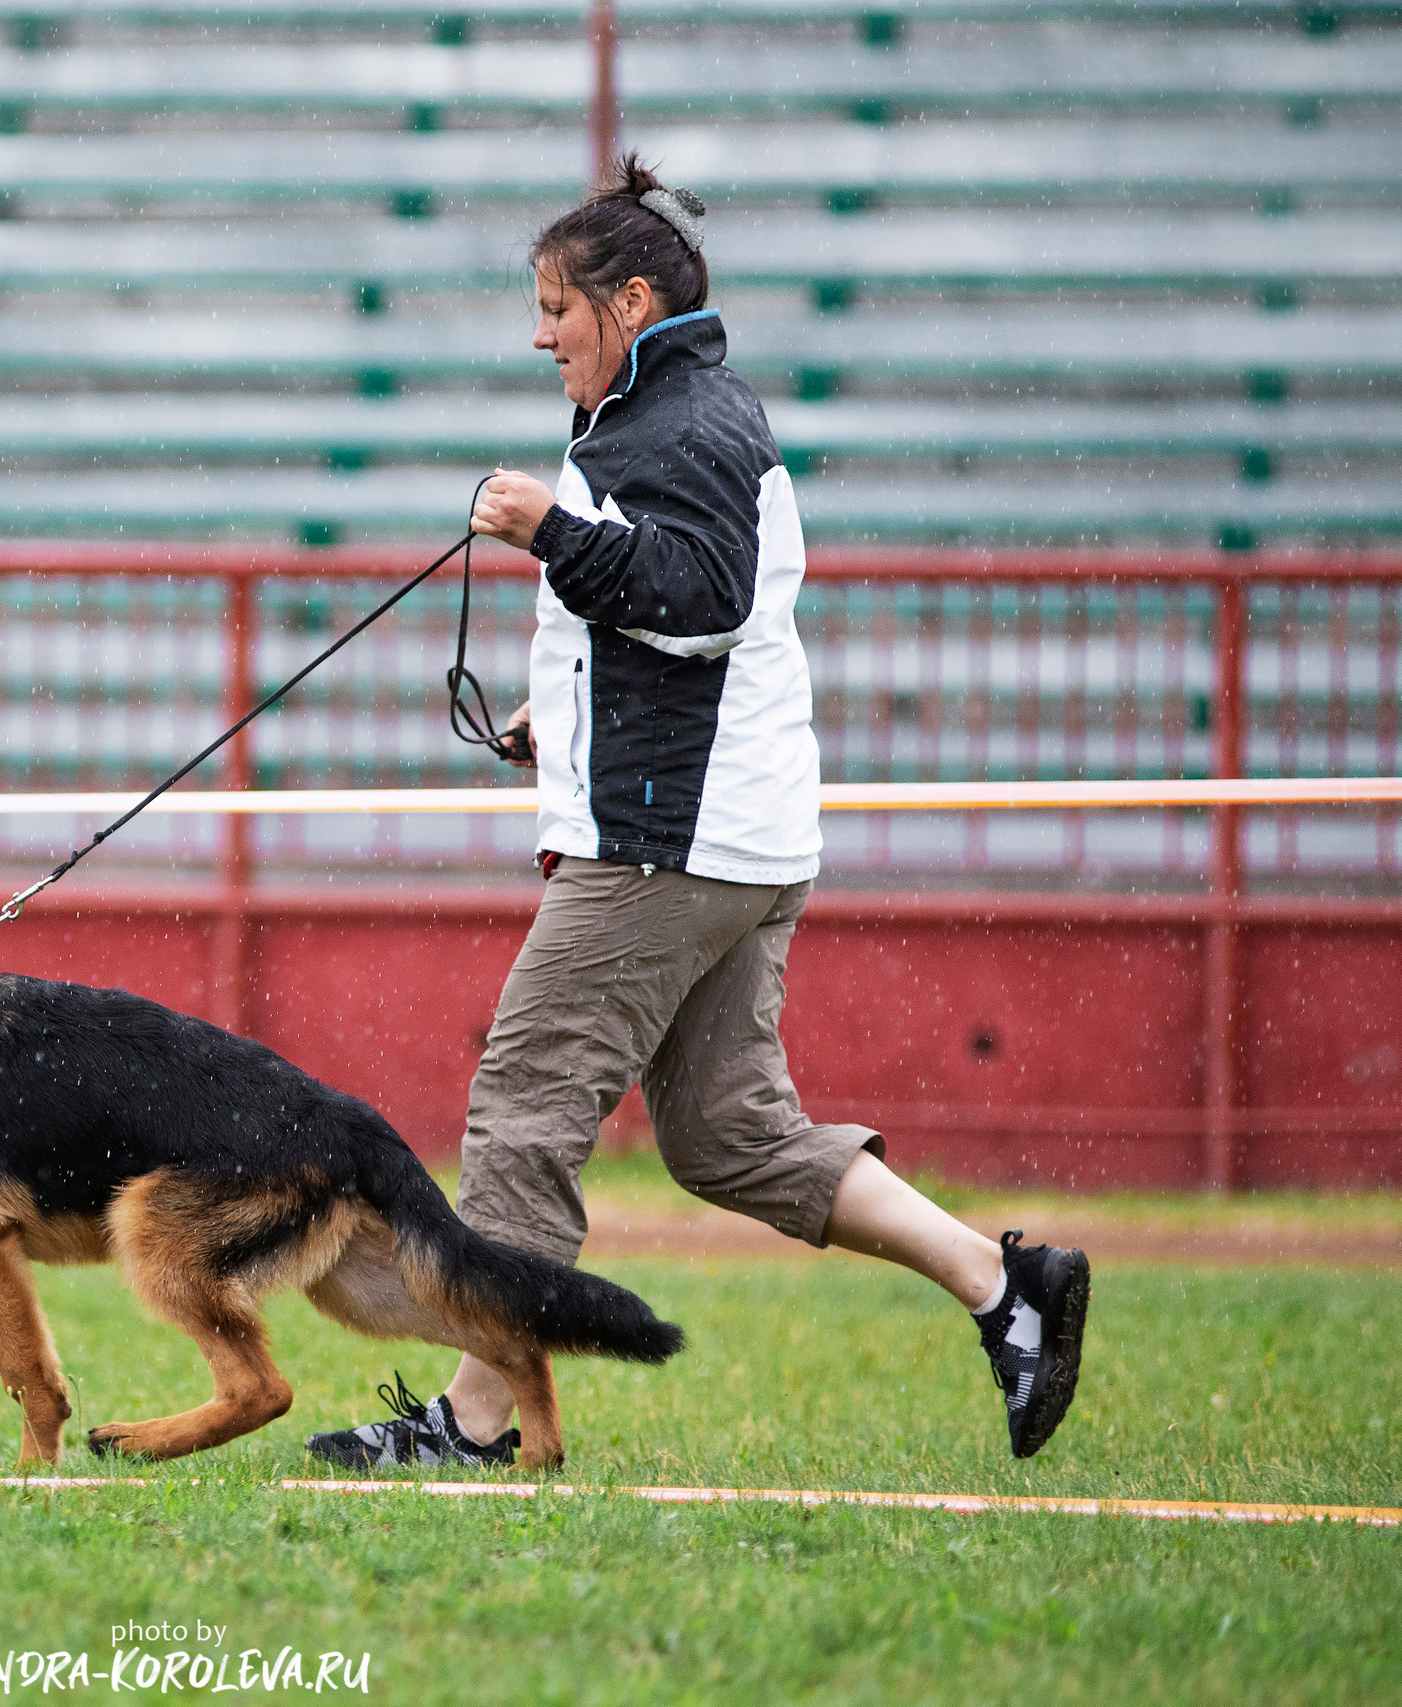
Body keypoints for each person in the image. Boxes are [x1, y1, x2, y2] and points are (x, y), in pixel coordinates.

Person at [305, 157, 1090, 1470]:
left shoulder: (672, 427)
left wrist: (549, 530)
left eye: (557, 305)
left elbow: (704, 593)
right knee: (729, 1135)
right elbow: (700, 628)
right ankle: (1005, 1285)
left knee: (521, 1109)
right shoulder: (696, 414)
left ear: (630, 299)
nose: (540, 332)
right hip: (734, 833)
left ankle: (480, 1426)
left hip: (669, 847)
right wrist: (561, 720)